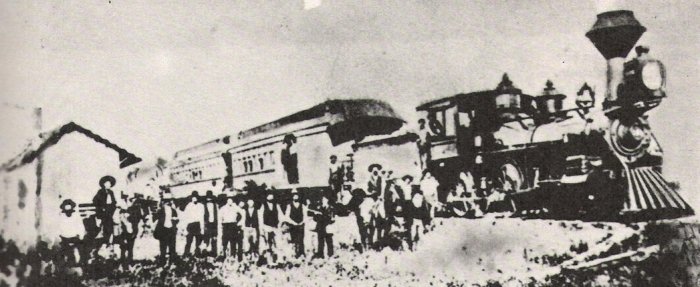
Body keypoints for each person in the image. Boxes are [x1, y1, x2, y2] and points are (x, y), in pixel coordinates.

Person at [58, 199, 85, 266]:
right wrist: (60, 236)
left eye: (70, 210)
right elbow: (58, 228)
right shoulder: (61, 216)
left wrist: (80, 236)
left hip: (74, 237)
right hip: (64, 238)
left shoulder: (76, 216)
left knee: (81, 249)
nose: (68, 212)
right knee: (64, 251)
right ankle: (67, 264)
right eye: (66, 210)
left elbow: (81, 227)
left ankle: (80, 263)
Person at [92, 175, 118, 244]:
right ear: (104, 184)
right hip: (102, 212)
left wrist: (113, 206)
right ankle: (106, 240)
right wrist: (102, 207)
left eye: (110, 183)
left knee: (111, 223)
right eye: (107, 183)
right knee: (107, 224)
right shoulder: (100, 192)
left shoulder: (111, 192)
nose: (109, 185)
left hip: (110, 211)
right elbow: (95, 201)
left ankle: (110, 240)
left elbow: (114, 201)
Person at [154, 193, 178, 264]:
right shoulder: (161, 210)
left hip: (171, 230)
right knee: (163, 247)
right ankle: (162, 261)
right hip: (163, 230)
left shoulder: (173, 210)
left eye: (168, 201)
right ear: (164, 202)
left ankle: (172, 261)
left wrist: (175, 220)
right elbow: (155, 219)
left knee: (172, 247)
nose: (167, 203)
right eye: (166, 201)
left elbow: (176, 219)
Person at [259, 193, 282, 263]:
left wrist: (279, 225)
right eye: (268, 195)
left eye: (271, 195)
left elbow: (281, 216)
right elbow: (260, 218)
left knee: (278, 244)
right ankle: (269, 261)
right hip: (266, 227)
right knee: (268, 245)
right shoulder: (263, 206)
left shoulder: (277, 206)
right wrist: (262, 229)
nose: (270, 197)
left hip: (275, 227)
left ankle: (279, 260)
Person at [284, 191, 307, 258]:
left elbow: (305, 215)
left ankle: (302, 253)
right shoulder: (289, 206)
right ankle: (295, 253)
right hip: (293, 225)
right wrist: (293, 223)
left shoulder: (302, 205)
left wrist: (302, 222)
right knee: (294, 239)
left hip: (301, 225)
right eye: (294, 196)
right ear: (292, 197)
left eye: (297, 195)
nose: (295, 197)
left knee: (301, 239)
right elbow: (287, 217)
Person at [220, 197, 244, 261]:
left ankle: (232, 255)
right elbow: (220, 218)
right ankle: (224, 255)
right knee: (225, 241)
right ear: (227, 201)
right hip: (226, 225)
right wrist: (221, 225)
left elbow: (242, 214)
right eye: (228, 200)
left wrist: (239, 223)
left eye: (231, 200)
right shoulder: (223, 208)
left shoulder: (235, 207)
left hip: (233, 225)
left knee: (233, 241)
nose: (230, 202)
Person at [311, 195, 335, 259]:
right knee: (320, 242)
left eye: (324, 200)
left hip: (327, 227)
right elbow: (315, 219)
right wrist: (316, 215)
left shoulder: (331, 208)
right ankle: (320, 254)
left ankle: (330, 254)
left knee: (329, 242)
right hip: (320, 228)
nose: (322, 201)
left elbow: (332, 219)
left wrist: (322, 216)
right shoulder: (320, 208)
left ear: (327, 200)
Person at [182, 191, 205, 256]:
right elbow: (185, 217)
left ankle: (197, 253)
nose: (194, 199)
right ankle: (186, 253)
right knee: (189, 240)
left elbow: (202, 217)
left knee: (198, 240)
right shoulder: (188, 206)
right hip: (190, 225)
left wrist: (202, 228)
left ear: (197, 198)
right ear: (191, 198)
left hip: (198, 225)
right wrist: (185, 228)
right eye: (193, 197)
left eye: (196, 197)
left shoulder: (201, 206)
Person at [202, 190, 219, 256]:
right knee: (206, 239)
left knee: (214, 238)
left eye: (210, 198)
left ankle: (214, 252)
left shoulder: (215, 206)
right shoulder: (204, 206)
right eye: (208, 198)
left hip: (214, 224)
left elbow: (217, 215)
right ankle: (205, 253)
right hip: (207, 224)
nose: (209, 200)